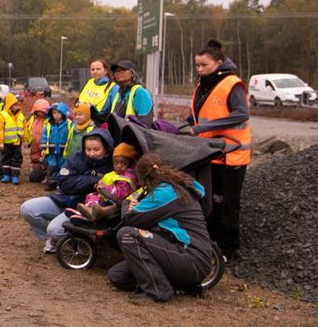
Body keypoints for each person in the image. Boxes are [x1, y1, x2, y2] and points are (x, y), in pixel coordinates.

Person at [107, 153, 215, 302]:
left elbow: (129, 219)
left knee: (127, 235)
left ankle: (158, 291)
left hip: (191, 258)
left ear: (144, 179)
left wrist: (127, 203)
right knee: (117, 276)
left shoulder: (165, 193)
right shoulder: (176, 186)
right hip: (181, 254)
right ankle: (180, 285)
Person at [186, 39, 251, 262]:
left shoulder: (231, 84)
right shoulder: (203, 85)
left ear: (219, 63)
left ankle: (229, 248)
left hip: (232, 153)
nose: (200, 69)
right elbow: (204, 112)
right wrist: (189, 121)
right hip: (210, 153)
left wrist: (205, 127)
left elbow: (241, 114)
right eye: (197, 66)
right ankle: (211, 243)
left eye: (204, 65)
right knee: (210, 201)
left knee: (228, 203)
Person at [20, 129, 113, 253]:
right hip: (62, 198)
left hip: (82, 207)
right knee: (27, 208)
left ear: (106, 148)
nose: (91, 153)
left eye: (96, 150)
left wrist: (78, 180)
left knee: (55, 229)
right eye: (88, 149)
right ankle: (51, 239)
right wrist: (94, 180)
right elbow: (64, 183)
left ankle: (81, 242)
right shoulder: (77, 157)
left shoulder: (112, 165)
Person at [70, 142, 139, 221]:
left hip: (118, 200)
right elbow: (105, 181)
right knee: (91, 195)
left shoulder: (128, 176)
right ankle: (88, 210)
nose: (119, 166)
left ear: (130, 163)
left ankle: (90, 213)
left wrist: (104, 188)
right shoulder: (114, 173)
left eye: (123, 163)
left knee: (100, 201)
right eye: (116, 163)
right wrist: (98, 184)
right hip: (106, 196)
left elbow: (121, 193)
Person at [33, 102, 71, 187]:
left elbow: (71, 135)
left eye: (59, 113)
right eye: (54, 113)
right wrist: (43, 148)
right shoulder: (49, 124)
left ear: (63, 113)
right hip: (51, 150)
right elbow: (44, 136)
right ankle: (50, 182)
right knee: (52, 166)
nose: (56, 115)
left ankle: (61, 183)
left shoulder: (68, 124)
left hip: (63, 150)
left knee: (63, 166)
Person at [0, 93, 25, 184]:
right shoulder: (3, 115)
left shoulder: (21, 116)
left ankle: (15, 176)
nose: (17, 106)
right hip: (6, 142)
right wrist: (0, 142)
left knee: (17, 159)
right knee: (6, 158)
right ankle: (6, 175)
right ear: (10, 105)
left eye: (18, 105)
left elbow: (25, 128)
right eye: (15, 105)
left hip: (17, 142)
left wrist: (25, 139)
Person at [78, 59, 115, 124]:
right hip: (83, 120)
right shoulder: (90, 82)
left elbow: (114, 110)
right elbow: (80, 100)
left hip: (100, 123)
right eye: (93, 69)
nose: (95, 71)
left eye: (98, 69)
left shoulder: (113, 87)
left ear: (105, 71)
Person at [24, 99, 49, 179]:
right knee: (34, 156)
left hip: (44, 143)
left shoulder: (48, 121)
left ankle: (44, 171)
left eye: (42, 111)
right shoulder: (33, 119)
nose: (40, 113)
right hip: (34, 142)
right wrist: (27, 139)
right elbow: (27, 128)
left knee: (45, 158)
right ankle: (36, 170)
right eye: (38, 111)